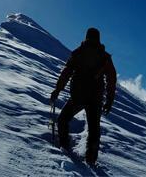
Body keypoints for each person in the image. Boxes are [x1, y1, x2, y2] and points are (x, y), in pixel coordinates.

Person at [50, 27, 117, 165]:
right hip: (95, 98)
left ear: (86, 37)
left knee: (63, 120)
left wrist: (57, 90)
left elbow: (66, 73)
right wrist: (109, 100)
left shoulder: (78, 53)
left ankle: (64, 148)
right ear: (99, 38)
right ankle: (91, 160)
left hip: (78, 96)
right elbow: (111, 79)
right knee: (94, 130)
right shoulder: (105, 57)